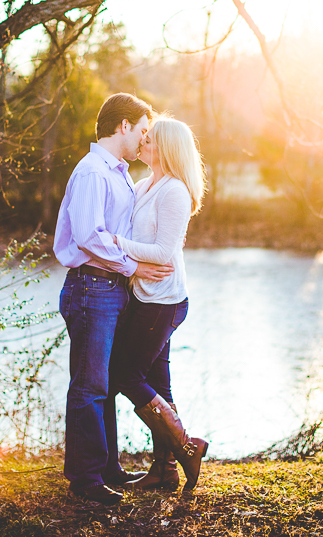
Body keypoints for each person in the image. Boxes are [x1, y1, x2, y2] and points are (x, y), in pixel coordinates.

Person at [53, 93, 173, 506]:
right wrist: (133, 267)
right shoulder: (92, 172)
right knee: (89, 386)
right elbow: (90, 236)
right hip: (92, 287)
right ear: (123, 126)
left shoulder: (117, 172)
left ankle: (107, 469)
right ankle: (85, 480)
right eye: (142, 130)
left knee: (103, 383)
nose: (144, 138)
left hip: (110, 289)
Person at [106, 116, 209, 492]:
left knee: (125, 375)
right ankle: (165, 471)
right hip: (145, 296)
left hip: (163, 301)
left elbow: (164, 252)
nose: (143, 143)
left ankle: (186, 447)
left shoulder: (175, 192)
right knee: (158, 385)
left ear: (167, 149)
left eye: (150, 140)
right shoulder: (144, 185)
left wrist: (114, 242)